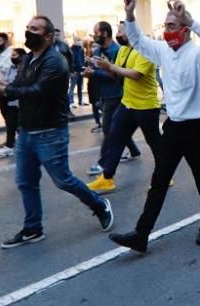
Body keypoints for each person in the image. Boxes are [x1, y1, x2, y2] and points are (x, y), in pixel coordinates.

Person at [0, 16, 113, 248]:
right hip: (27, 132)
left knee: (63, 180)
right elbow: (21, 85)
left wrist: (4, 91)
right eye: (28, 27)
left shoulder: (55, 61)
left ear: (49, 36)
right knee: (25, 182)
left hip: (50, 132)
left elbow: (37, 91)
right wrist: (4, 88)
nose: (29, 32)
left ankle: (99, 204)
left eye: (36, 29)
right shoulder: (28, 59)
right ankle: (33, 228)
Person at [107, 0, 200, 252]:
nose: (167, 30)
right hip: (172, 127)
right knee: (158, 181)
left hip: (196, 129)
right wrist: (130, 14)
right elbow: (136, 39)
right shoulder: (162, 51)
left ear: (185, 30)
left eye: (172, 25)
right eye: (165, 25)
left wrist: (190, 19)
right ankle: (141, 234)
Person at [87, 21, 161, 193]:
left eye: (121, 32)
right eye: (118, 31)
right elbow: (117, 75)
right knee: (115, 138)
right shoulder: (123, 50)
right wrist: (103, 68)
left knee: (155, 143)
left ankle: (164, 175)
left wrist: (111, 67)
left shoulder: (145, 50)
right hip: (127, 104)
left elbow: (136, 74)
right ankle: (107, 178)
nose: (118, 35)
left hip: (146, 107)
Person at [85, 21, 139, 177]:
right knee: (118, 128)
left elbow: (116, 75)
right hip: (103, 95)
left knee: (109, 129)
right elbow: (99, 70)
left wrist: (95, 73)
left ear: (104, 33)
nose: (94, 35)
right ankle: (134, 150)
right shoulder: (97, 51)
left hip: (115, 95)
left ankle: (103, 163)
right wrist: (90, 69)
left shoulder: (117, 50)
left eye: (96, 32)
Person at [69, 37, 86, 108]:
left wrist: (83, 68)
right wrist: (72, 71)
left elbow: (82, 59)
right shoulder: (71, 49)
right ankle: (71, 102)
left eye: (80, 40)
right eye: (78, 40)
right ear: (74, 41)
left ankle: (80, 100)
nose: (79, 42)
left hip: (81, 70)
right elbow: (70, 61)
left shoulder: (81, 49)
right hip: (75, 71)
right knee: (72, 87)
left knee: (80, 87)